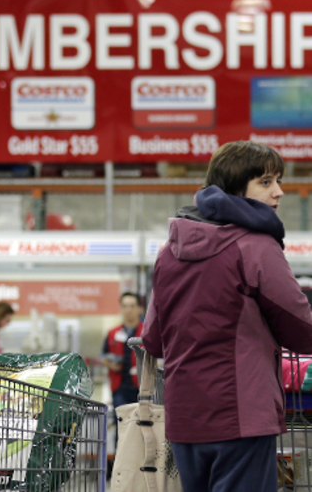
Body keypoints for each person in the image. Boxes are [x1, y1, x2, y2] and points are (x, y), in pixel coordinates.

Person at [141, 140, 312, 492]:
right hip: (242, 416)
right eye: (265, 182)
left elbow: (153, 339)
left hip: (185, 418)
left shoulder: (168, 251)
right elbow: (302, 330)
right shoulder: (256, 246)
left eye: (277, 180)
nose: (279, 192)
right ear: (235, 189)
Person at [100, 292, 144, 449]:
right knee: (122, 429)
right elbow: (103, 355)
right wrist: (110, 364)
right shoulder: (113, 333)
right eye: (125, 306)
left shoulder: (148, 332)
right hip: (120, 389)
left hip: (144, 389)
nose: (129, 310)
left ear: (140, 308)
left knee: (145, 429)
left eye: (132, 306)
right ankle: (122, 471)